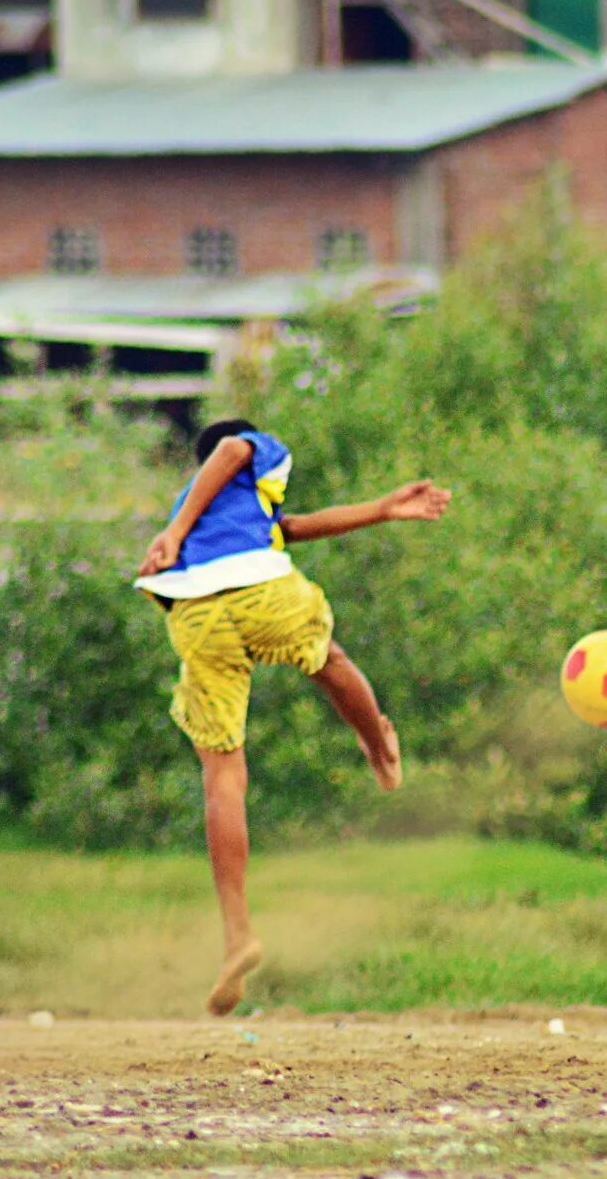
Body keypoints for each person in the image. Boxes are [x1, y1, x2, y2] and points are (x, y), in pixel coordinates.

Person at [136, 419, 450, 1015]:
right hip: (259, 592)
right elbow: (231, 448)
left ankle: (237, 935)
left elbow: (294, 528)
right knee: (327, 657)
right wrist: (172, 532)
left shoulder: (216, 513)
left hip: (194, 614)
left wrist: (382, 509)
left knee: (222, 776)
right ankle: (378, 744)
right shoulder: (250, 450)